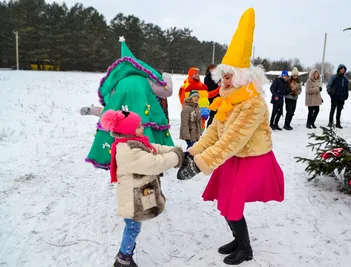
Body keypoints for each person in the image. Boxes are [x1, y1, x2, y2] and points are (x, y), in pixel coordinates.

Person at [176, 8, 284, 265]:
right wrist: (191, 152)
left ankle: (245, 249)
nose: (223, 81)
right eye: (222, 76)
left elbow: (233, 140)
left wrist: (199, 165)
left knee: (233, 204)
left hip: (250, 158)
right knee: (225, 202)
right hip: (231, 156)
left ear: (242, 77)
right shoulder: (229, 100)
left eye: (228, 76)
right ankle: (238, 239)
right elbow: (214, 132)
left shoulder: (252, 104)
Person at [99, 109, 184, 267]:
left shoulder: (133, 142)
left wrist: (172, 150)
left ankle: (126, 253)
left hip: (135, 195)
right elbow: (154, 163)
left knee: (133, 227)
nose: (142, 128)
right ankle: (123, 259)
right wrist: (176, 157)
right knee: (132, 228)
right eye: (138, 126)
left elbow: (154, 148)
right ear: (128, 131)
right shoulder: (128, 151)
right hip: (132, 200)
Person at [85, 38, 174, 170]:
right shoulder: (145, 80)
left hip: (124, 130)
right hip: (145, 124)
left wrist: (92, 110)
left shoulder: (118, 84)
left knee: (125, 151)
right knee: (150, 152)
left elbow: (109, 110)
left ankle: (126, 165)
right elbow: (167, 91)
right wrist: (167, 76)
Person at [327, 64, 349, 128]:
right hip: (334, 96)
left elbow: (346, 87)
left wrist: (346, 94)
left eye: (343, 70)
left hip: (341, 97)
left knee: (339, 111)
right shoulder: (334, 77)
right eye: (341, 69)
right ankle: (330, 122)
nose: (342, 70)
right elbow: (329, 85)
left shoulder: (345, 79)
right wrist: (331, 93)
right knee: (332, 110)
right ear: (339, 69)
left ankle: (338, 123)